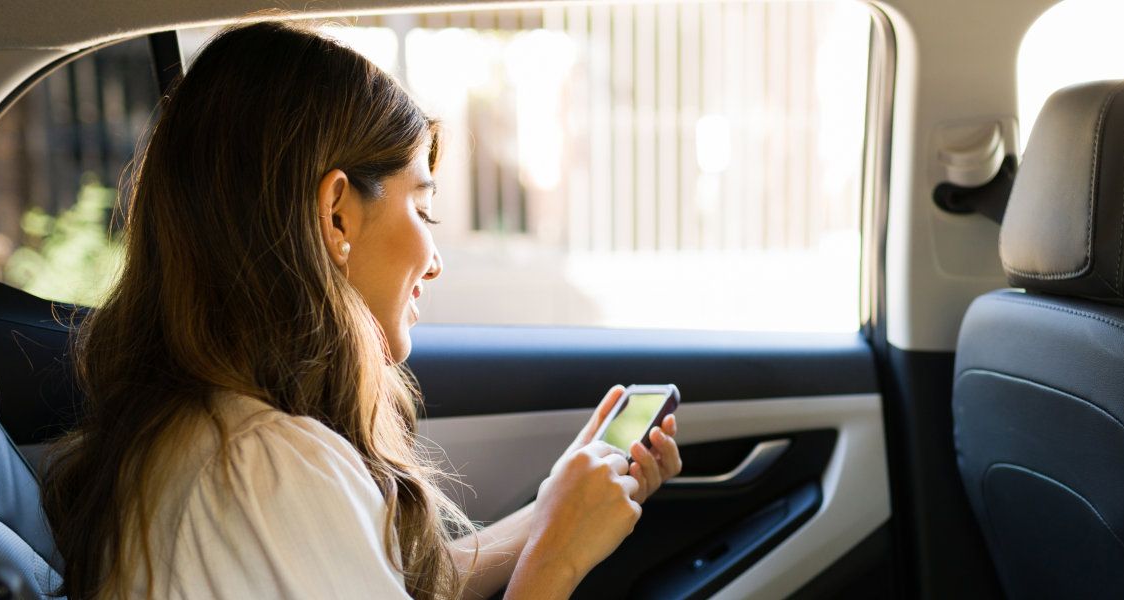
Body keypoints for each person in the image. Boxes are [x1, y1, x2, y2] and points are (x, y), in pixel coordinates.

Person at [39, 21, 683, 599]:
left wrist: (552, 510)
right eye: (423, 209)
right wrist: (558, 560)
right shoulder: (269, 465)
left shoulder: (205, 434)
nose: (435, 260)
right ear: (337, 214)